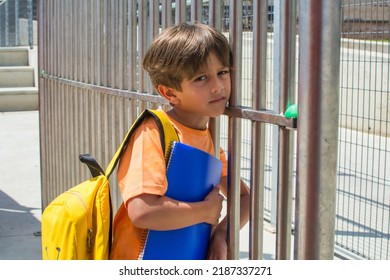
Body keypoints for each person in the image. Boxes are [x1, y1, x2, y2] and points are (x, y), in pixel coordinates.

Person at [110, 22, 250, 260]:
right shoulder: (153, 132)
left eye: (223, 72)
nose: (217, 87)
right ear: (170, 93)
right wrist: (207, 211)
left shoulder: (211, 139)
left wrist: (221, 234)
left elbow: (244, 197)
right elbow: (142, 211)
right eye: (201, 78)